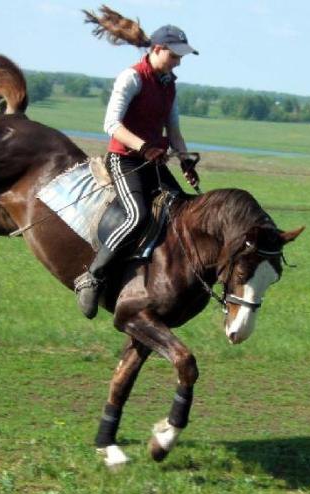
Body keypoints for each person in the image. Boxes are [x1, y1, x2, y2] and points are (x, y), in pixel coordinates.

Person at [75, 23, 201, 319]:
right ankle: (92, 276)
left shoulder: (169, 84)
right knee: (138, 216)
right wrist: (144, 148)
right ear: (157, 50)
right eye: (175, 56)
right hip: (126, 160)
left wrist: (184, 160)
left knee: (183, 211)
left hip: (153, 161)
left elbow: (173, 129)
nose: (178, 62)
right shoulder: (131, 77)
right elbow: (111, 125)